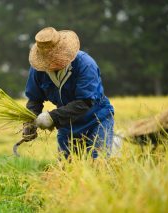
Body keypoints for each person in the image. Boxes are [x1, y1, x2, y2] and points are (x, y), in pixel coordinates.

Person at [23, 27, 114, 159]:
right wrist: (29, 122)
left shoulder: (85, 65)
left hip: (96, 120)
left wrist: (52, 117)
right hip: (67, 125)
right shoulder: (39, 70)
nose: (52, 62)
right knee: (66, 168)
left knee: (98, 164)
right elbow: (34, 99)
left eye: (55, 57)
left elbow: (85, 102)